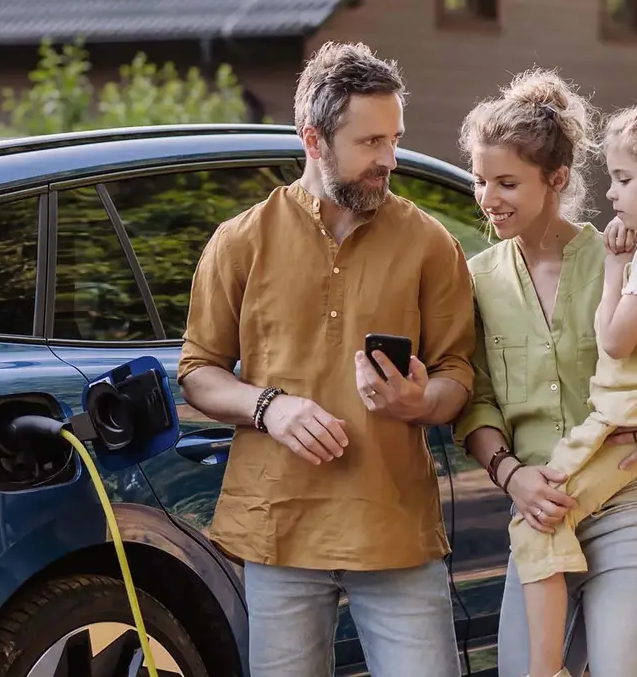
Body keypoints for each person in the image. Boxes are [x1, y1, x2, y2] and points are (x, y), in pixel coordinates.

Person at [178, 40, 476, 677]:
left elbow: (458, 375)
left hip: (394, 528)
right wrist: (268, 407)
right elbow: (198, 374)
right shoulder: (240, 242)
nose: (388, 159)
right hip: (278, 529)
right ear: (313, 139)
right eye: (370, 143)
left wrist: (420, 401)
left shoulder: (430, 244)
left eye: (393, 139)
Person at [454, 69, 637, 677]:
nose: (487, 197)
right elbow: (476, 401)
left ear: (557, 179)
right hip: (542, 511)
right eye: (481, 181)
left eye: (506, 182)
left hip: (636, 502)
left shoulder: (633, 254)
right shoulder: (477, 279)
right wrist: (511, 477)